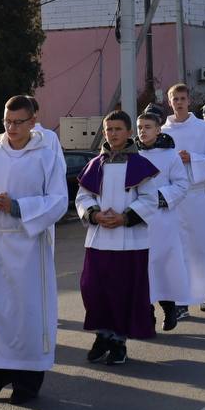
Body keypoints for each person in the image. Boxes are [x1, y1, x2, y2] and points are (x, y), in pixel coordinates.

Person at [0, 96, 68, 402]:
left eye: (19, 122)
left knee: (27, 312)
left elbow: (58, 199)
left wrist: (19, 207)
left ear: (33, 121)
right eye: (7, 121)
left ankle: (27, 379)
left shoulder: (45, 155)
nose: (11, 128)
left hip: (27, 244)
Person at [76, 111, 158, 365]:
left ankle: (118, 342)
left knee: (122, 292)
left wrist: (124, 218)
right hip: (99, 239)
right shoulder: (95, 164)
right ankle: (102, 335)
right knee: (93, 289)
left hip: (129, 240)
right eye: (108, 129)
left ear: (129, 132)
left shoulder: (140, 165)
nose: (112, 134)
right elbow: (82, 197)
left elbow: (150, 199)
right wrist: (94, 215)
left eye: (117, 129)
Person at [161, 84, 205, 312]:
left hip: (197, 198)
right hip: (175, 200)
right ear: (169, 102)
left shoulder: (204, 129)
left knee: (200, 247)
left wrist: (192, 158)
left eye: (182, 98)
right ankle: (182, 300)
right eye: (174, 99)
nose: (178, 102)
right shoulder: (163, 132)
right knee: (177, 249)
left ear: (189, 101)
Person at [134, 107, 191, 330]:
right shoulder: (132, 155)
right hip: (138, 222)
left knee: (162, 269)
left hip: (162, 222)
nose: (143, 132)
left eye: (148, 127)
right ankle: (147, 316)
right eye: (139, 128)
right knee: (142, 271)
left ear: (158, 130)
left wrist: (158, 197)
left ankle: (169, 309)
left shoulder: (169, 156)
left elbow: (181, 184)